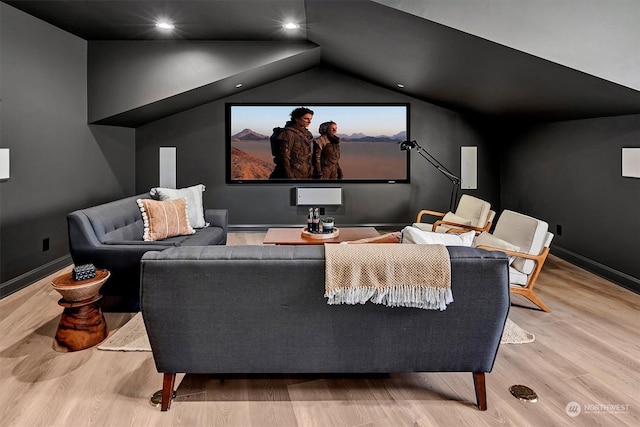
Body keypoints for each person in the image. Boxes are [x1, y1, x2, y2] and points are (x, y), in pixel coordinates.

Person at [269, 107, 314, 179]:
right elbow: (283, 156)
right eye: (306, 119)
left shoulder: (306, 134)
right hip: (289, 175)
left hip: (303, 173)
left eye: (310, 119)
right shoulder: (288, 133)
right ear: (297, 119)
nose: (309, 121)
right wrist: (289, 174)